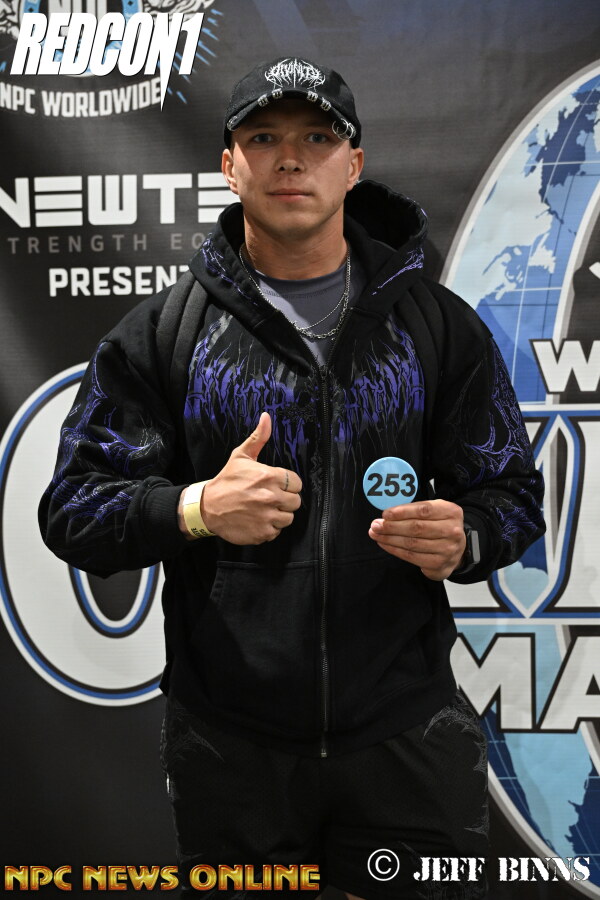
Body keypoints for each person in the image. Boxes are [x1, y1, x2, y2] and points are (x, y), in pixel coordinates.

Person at [39, 56, 545, 899]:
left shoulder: (437, 327)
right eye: (264, 138)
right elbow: (73, 510)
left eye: (317, 138)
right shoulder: (164, 333)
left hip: (406, 732)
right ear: (228, 164)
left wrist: (470, 535)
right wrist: (196, 508)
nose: (290, 159)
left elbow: (513, 495)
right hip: (231, 747)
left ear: (354, 164)